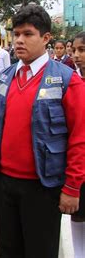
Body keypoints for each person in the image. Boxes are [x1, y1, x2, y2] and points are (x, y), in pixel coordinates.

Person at [0, 4, 84, 258]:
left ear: (46, 38)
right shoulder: (6, 76)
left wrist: (72, 187)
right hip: (5, 183)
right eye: (16, 34)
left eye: (27, 34)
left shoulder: (66, 80)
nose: (19, 40)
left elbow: (79, 138)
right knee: (9, 251)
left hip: (43, 187)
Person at [71, 31, 85, 258]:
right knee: (78, 221)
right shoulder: (73, 82)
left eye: (81, 50)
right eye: (74, 51)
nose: (76, 55)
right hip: (79, 169)